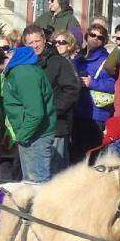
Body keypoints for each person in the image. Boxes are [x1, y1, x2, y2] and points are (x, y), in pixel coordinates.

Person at [0, 44, 59, 182]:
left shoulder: (23, 74)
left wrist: (22, 136)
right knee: (29, 181)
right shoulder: (15, 69)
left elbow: (36, 113)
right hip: (30, 133)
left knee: (37, 182)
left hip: (36, 135)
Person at [26, 25, 81, 155]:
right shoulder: (26, 64)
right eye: (30, 43)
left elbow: (71, 90)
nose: (35, 45)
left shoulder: (59, 62)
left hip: (56, 127)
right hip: (33, 127)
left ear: (44, 40)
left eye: (37, 41)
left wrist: (51, 110)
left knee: (56, 171)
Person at [73, 24, 115, 162]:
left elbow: (112, 85)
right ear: (86, 36)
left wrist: (91, 83)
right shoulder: (78, 58)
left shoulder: (106, 60)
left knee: (92, 156)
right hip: (78, 110)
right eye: (93, 35)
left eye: (100, 37)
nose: (95, 39)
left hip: (96, 113)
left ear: (104, 41)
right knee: (77, 155)